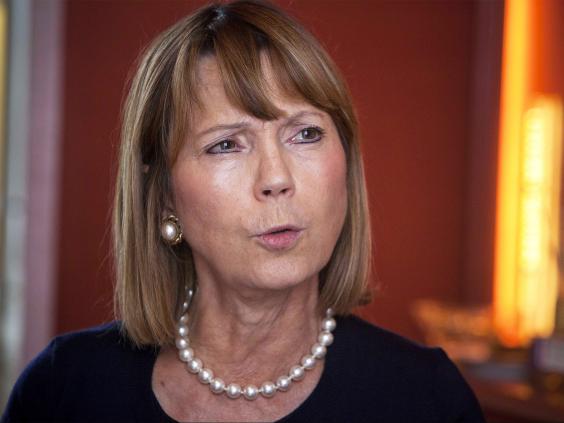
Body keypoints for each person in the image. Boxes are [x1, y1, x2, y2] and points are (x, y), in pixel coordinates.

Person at [2, 1, 485, 422]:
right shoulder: (62, 389)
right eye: (227, 144)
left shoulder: (427, 399)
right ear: (163, 192)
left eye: (306, 134)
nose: (276, 178)